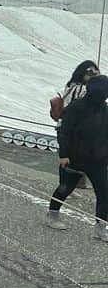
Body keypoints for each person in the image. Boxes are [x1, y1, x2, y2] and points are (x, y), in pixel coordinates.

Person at [47, 74, 108, 237]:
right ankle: (52, 214)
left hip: (98, 160)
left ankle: (100, 228)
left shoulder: (105, 110)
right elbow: (63, 131)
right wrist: (64, 154)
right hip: (74, 157)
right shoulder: (76, 107)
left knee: (104, 192)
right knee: (65, 188)